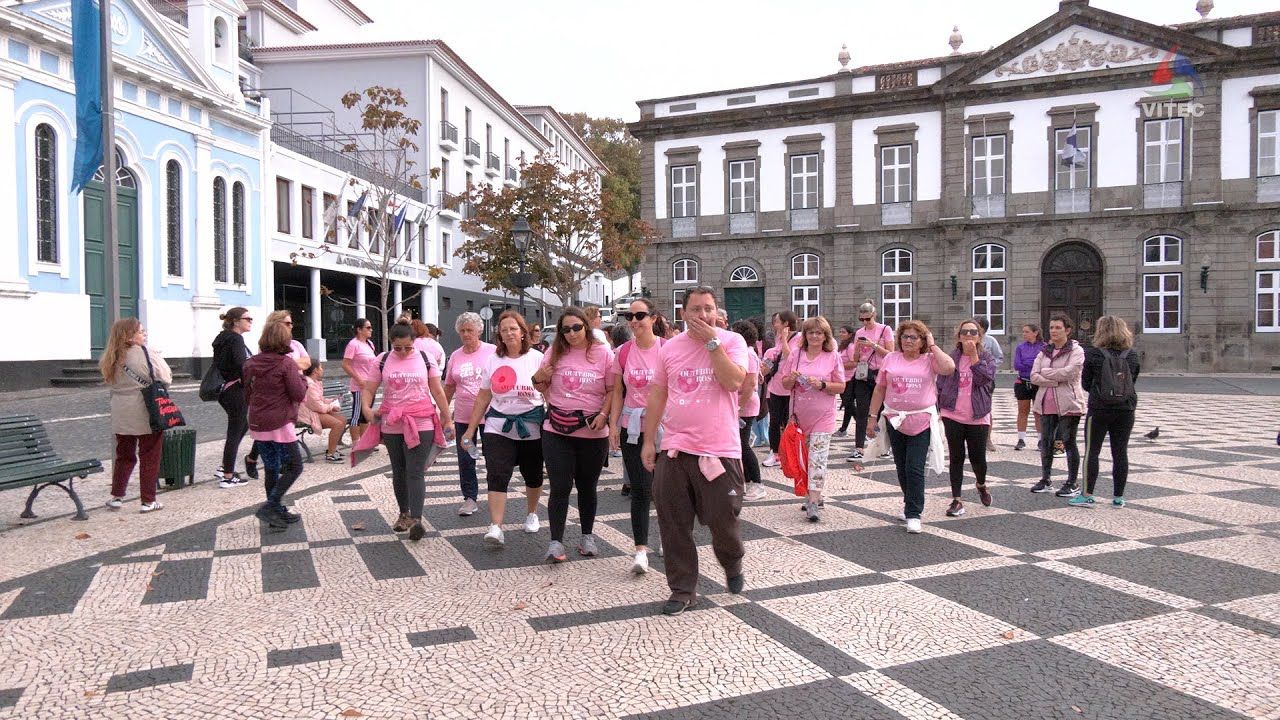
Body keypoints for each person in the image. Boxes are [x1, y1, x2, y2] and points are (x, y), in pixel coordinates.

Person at [641, 285, 749, 616]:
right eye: (696, 309)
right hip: (675, 447)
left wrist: (712, 344)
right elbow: (658, 393)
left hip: (719, 450)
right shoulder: (670, 349)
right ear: (683, 313)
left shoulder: (732, 342)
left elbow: (734, 382)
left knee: (723, 524)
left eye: (708, 309)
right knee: (673, 524)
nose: (703, 315)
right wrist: (648, 441)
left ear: (716, 312)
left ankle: (732, 563)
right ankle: (682, 589)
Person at [532, 307, 615, 562]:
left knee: (587, 486)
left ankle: (587, 537)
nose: (571, 333)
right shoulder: (554, 352)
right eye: (566, 329)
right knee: (560, 486)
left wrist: (603, 415)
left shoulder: (603, 353)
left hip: (592, 430)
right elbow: (538, 384)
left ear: (586, 327)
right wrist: (539, 378)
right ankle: (555, 542)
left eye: (577, 327)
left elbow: (612, 390)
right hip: (557, 429)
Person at [359, 323, 455, 540]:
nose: (402, 352)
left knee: (415, 470)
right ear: (391, 343)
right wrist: (366, 408)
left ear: (414, 342)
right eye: (398, 347)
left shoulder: (425, 358)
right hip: (392, 422)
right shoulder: (382, 359)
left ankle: (417, 519)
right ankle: (404, 513)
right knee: (399, 469)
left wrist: (447, 418)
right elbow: (369, 388)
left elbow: (437, 390)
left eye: (407, 347)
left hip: (421, 420)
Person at [461, 311, 545, 546]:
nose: (509, 333)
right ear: (499, 333)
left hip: (531, 425)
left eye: (513, 328)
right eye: (504, 329)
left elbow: (548, 390)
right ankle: (496, 526)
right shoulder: (493, 360)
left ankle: (532, 513)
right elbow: (483, 396)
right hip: (498, 425)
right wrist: (469, 430)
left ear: (522, 332)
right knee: (497, 474)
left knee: (533, 474)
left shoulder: (537, 358)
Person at [865, 320, 956, 534]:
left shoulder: (930, 359)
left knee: (915, 467)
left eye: (914, 337)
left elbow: (949, 367)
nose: (908, 340)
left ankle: (914, 513)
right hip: (894, 419)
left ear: (923, 340)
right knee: (902, 466)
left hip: (920, 419)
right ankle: (909, 504)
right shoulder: (890, 358)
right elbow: (880, 389)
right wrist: (871, 417)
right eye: (905, 336)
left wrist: (933, 346)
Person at [609, 298, 666, 573]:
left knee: (666, 490)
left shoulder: (667, 349)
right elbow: (617, 391)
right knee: (642, 489)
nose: (633, 321)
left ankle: (668, 536)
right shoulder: (622, 352)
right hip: (633, 427)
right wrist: (613, 425)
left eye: (639, 315)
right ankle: (640, 550)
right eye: (628, 316)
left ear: (653, 318)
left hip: (666, 428)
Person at [100, 318, 172, 512]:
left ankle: (117, 496)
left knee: (124, 454)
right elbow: (165, 377)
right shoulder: (145, 353)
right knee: (149, 454)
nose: (144, 334)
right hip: (145, 409)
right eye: (141, 331)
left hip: (121, 411)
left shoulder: (111, 357)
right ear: (130, 336)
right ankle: (148, 500)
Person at [242, 319, 308, 529]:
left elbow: (247, 393)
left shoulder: (250, 363)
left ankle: (276, 513)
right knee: (295, 466)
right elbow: (298, 394)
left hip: (258, 422)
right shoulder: (286, 363)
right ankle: (271, 505)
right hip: (279, 422)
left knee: (271, 468)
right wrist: (303, 380)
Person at [780, 316, 846, 522]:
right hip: (799, 417)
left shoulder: (832, 356)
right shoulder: (796, 355)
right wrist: (791, 379)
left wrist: (823, 385)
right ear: (805, 335)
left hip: (824, 416)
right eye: (811, 332)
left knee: (818, 459)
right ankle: (813, 493)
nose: (815, 336)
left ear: (826, 336)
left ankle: (813, 502)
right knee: (804, 458)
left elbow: (841, 386)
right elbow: (784, 384)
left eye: (819, 333)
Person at [1071, 315, 1141, 508]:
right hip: (1126, 409)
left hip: (1099, 409)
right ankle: (1118, 497)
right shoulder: (1132, 354)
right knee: (1120, 452)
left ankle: (1087, 494)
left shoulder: (1094, 354)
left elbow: (1085, 383)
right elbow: (1132, 380)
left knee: (1092, 451)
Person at [936, 319, 997, 517]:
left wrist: (974, 358)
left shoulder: (986, 357)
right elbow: (940, 383)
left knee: (978, 458)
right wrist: (938, 405)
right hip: (952, 413)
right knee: (956, 457)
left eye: (973, 332)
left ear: (979, 336)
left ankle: (981, 483)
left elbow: (984, 379)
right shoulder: (951, 357)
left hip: (977, 415)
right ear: (959, 336)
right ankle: (957, 499)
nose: (968, 336)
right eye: (965, 332)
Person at [444, 312, 496, 517]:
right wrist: (443, 413)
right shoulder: (455, 356)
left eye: (470, 330)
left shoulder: (492, 351)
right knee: (465, 459)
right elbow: (448, 387)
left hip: (490, 416)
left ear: (479, 331)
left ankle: (495, 495)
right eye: (462, 331)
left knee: (494, 458)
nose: (466, 334)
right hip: (464, 418)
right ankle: (470, 498)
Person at [1030, 313, 1086, 497]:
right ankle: (1045, 479)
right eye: (1052, 327)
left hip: (1068, 403)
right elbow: (1034, 376)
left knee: (1069, 443)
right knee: (1046, 442)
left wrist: (1047, 374)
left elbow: (1070, 373)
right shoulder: (1044, 351)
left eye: (1058, 328)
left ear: (1067, 330)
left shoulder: (1076, 351)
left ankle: (1072, 482)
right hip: (1046, 403)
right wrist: (1054, 378)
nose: (1053, 331)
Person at [844, 301, 894, 462]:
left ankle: (884, 447)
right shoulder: (859, 332)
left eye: (868, 319)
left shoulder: (885, 330)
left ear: (874, 315)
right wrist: (858, 348)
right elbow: (856, 359)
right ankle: (859, 447)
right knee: (861, 411)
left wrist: (873, 345)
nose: (865, 322)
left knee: (881, 412)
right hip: (863, 375)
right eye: (862, 319)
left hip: (880, 374)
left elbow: (890, 354)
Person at [212, 307, 256, 487]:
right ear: (236, 321)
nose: (250, 321)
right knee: (235, 429)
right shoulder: (236, 339)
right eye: (247, 318)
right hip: (235, 388)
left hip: (226, 389)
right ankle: (227, 475)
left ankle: (225, 466)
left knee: (241, 425)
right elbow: (241, 365)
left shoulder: (222, 338)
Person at [731, 320, 766, 502]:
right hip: (739, 404)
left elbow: (751, 384)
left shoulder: (749, 354)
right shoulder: (744, 353)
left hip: (745, 405)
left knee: (743, 445)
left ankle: (757, 483)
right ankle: (744, 480)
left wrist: (737, 407)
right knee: (738, 444)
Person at [761, 310, 801, 467]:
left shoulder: (797, 338)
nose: (774, 324)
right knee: (774, 421)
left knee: (789, 422)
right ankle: (775, 453)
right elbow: (774, 360)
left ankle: (789, 453)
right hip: (775, 387)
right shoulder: (775, 339)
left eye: (777, 321)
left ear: (786, 323)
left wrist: (784, 340)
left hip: (790, 387)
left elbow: (791, 358)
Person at [298, 362, 348, 462]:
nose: (322, 369)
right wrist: (331, 406)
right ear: (315, 370)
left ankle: (332, 449)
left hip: (315, 410)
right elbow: (316, 405)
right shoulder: (309, 384)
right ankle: (330, 454)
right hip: (308, 413)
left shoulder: (315, 382)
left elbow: (319, 400)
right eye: (320, 367)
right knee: (337, 424)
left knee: (342, 419)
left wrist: (331, 400)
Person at [342, 319, 377, 445]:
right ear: (359, 329)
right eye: (368, 327)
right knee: (356, 415)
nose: (371, 330)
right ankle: (356, 443)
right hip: (359, 385)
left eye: (370, 327)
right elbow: (345, 365)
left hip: (370, 384)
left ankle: (364, 441)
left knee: (365, 414)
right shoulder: (353, 344)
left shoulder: (369, 344)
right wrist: (359, 379)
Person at [1012, 324, 1046, 451]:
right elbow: (1017, 365)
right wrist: (1033, 362)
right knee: (1022, 411)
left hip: (1038, 383)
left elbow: (1043, 365)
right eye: (1023, 331)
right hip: (1023, 382)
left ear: (1035, 332)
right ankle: (1021, 439)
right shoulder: (1020, 347)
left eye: (1027, 332)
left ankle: (1041, 440)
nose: (1024, 334)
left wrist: (1028, 363)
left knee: (1038, 412)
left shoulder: (1044, 347)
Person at [977, 318, 1003, 452]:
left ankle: (987, 439)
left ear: (983, 328)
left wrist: (989, 368)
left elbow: (999, 357)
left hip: (987, 380)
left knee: (987, 409)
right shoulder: (966, 340)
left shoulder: (991, 341)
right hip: (970, 380)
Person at [834, 324, 856, 437]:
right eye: (840, 331)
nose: (841, 334)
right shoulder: (842, 345)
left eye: (843, 332)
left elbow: (853, 363)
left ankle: (865, 425)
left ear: (850, 334)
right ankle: (843, 429)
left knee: (848, 404)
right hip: (842, 378)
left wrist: (839, 366)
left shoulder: (851, 346)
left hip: (849, 378)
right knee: (848, 405)